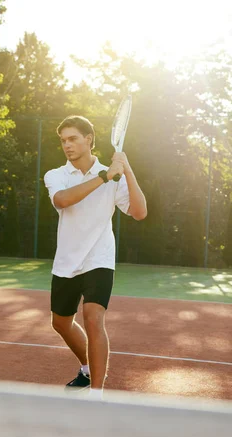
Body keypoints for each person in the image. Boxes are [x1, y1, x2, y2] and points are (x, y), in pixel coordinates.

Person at [43, 115, 147, 399]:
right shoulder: (56, 175)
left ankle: (97, 394)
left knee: (92, 317)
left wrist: (126, 170)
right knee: (60, 323)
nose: (67, 145)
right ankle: (87, 369)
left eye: (73, 138)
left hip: (99, 258)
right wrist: (105, 177)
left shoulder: (113, 174)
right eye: (63, 140)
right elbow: (63, 200)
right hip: (66, 261)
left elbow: (139, 212)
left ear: (89, 139)